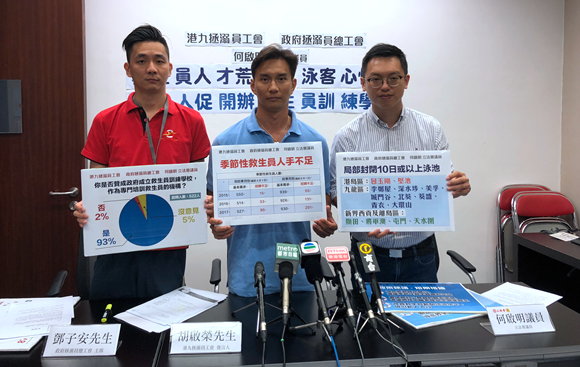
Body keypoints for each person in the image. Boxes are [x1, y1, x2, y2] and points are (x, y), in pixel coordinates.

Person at [73, 25, 211, 300]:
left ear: (170, 68)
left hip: (168, 246)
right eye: (141, 61)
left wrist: (206, 203)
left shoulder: (191, 121)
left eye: (159, 61)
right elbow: (96, 187)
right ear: (128, 69)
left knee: (163, 320)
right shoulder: (105, 121)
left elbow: (197, 183)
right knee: (111, 318)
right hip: (116, 248)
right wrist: (85, 208)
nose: (151, 68)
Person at [330, 43, 471, 283]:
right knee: (369, 308)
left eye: (393, 78)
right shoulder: (347, 136)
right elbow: (335, 190)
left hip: (420, 254)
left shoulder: (430, 128)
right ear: (363, 83)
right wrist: (363, 217)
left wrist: (459, 186)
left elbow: (444, 182)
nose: (385, 86)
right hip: (368, 251)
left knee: (422, 309)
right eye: (375, 79)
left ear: (406, 81)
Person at [205, 44, 337, 297]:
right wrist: (216, 225)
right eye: (265, 79)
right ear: (253, 85)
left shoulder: (315, 143)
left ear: (293, 84)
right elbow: (214, 208)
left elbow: (324, 206)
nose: (273, 87)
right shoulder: (225, 143)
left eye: (281, 78)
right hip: (246, 275)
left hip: (300, 275)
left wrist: (326, 224)